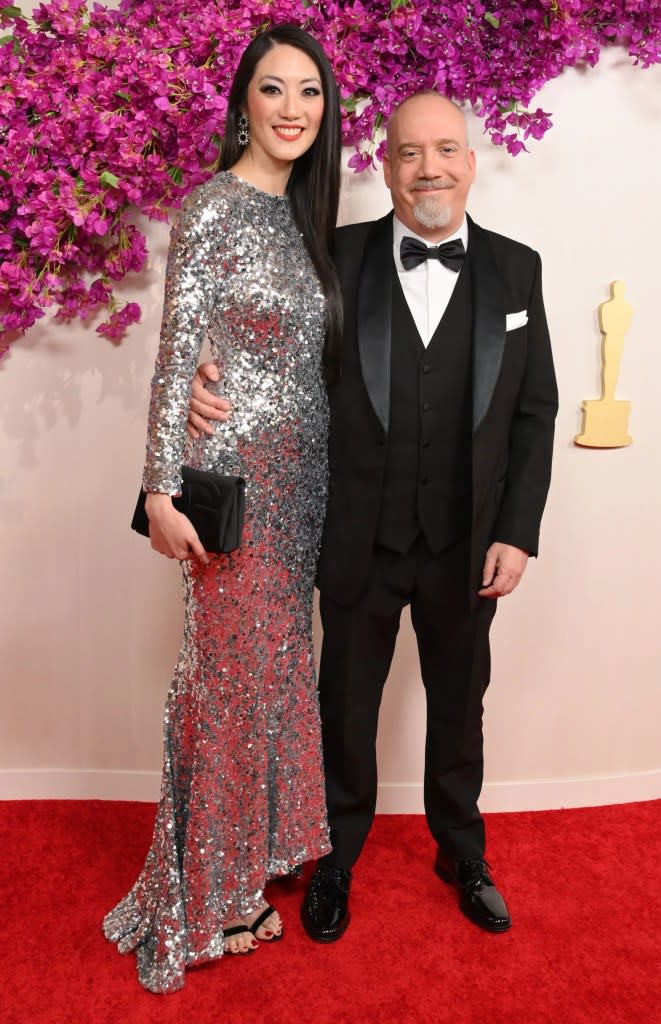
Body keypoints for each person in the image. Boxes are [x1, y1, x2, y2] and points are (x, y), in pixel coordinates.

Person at [188, 91, 558, 943]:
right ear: (384, 165)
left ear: (470, 161)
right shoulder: (336, 257)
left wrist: (517, 530)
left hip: (469, 545)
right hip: (355, 537)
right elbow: (269, 358)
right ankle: (336, 857)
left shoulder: (517, 269)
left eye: (447, 150)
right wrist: (203, 377)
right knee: (345, 708)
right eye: (410, 152)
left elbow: (534, 410)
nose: (430, 167)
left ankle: (462, 850)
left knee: (460, 707)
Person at [103, 25, 343, 993]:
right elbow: (176, 355)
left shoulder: (307, 220)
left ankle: (245, 868)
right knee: (225, 689)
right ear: (242, 99)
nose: (292, 109)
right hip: (231, 490)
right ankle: (205, 896)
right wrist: (160, 486)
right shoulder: (209, 209)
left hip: (304, 494)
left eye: (311, 94)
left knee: (275, 679)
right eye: (274, 90)